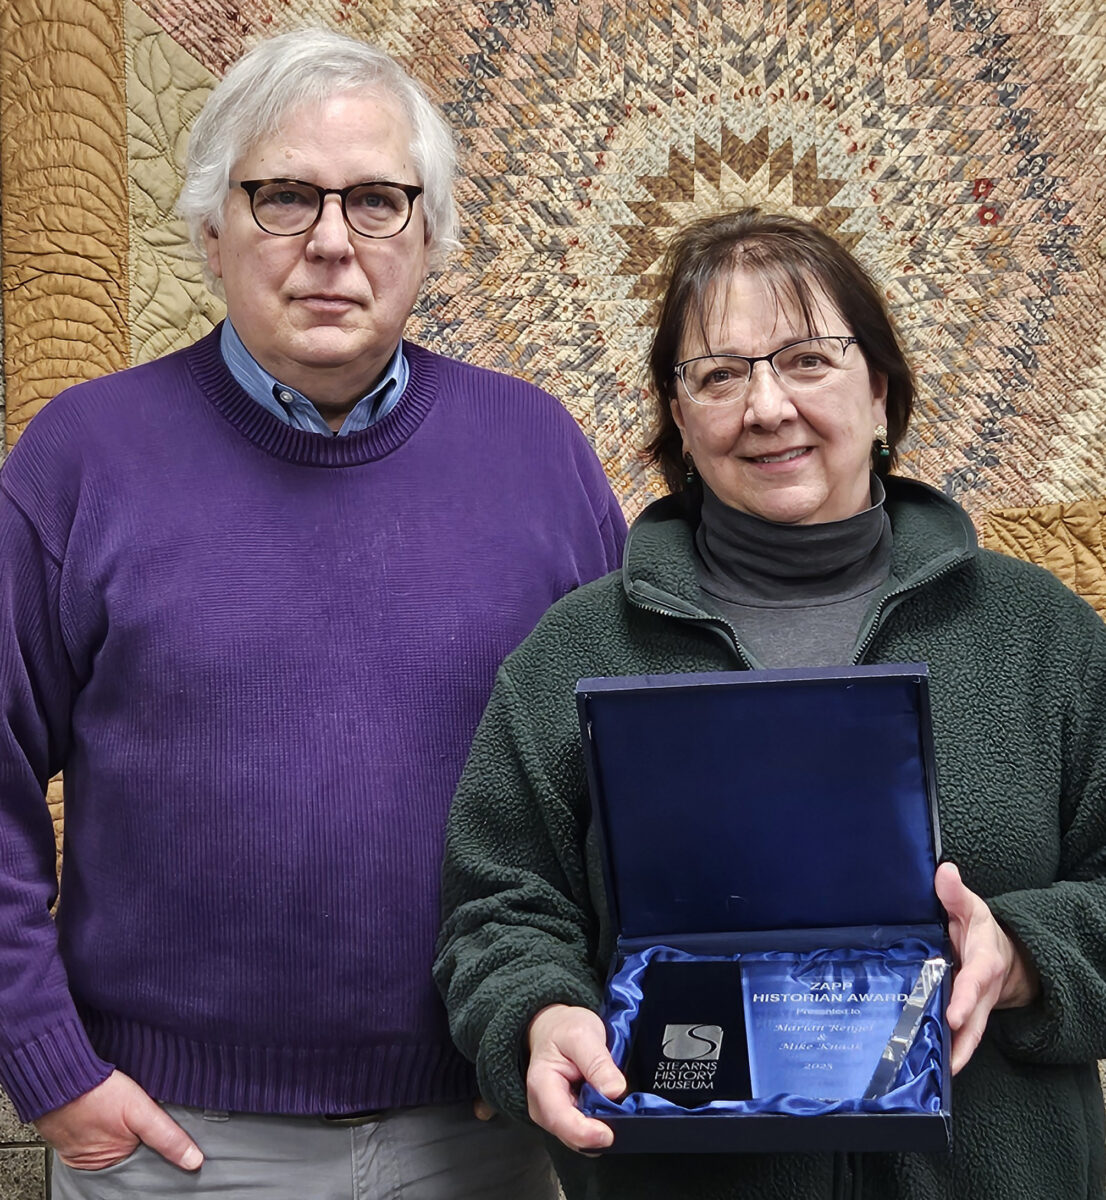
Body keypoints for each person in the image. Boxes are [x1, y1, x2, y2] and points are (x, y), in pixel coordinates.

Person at [0, 27, 625, 1200]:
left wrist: (543, 1016)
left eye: (378, 201)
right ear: (208, 232)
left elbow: (627, 777)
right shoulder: (79, 460)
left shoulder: (537, 452)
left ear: (429, 237)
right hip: (175, 1143)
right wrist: (47, 1065)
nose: (332, 242)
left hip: (483, 1130)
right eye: (284, 196)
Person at [435, 208, 1106, 1199]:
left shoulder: (1036, 633)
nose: (765, 406)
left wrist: (1020, 957)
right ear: (678, 415)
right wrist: (538, 1018)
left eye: (804, 360)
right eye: (717, 375)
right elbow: (499, 908)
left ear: (877, 389)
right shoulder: (574, 652)